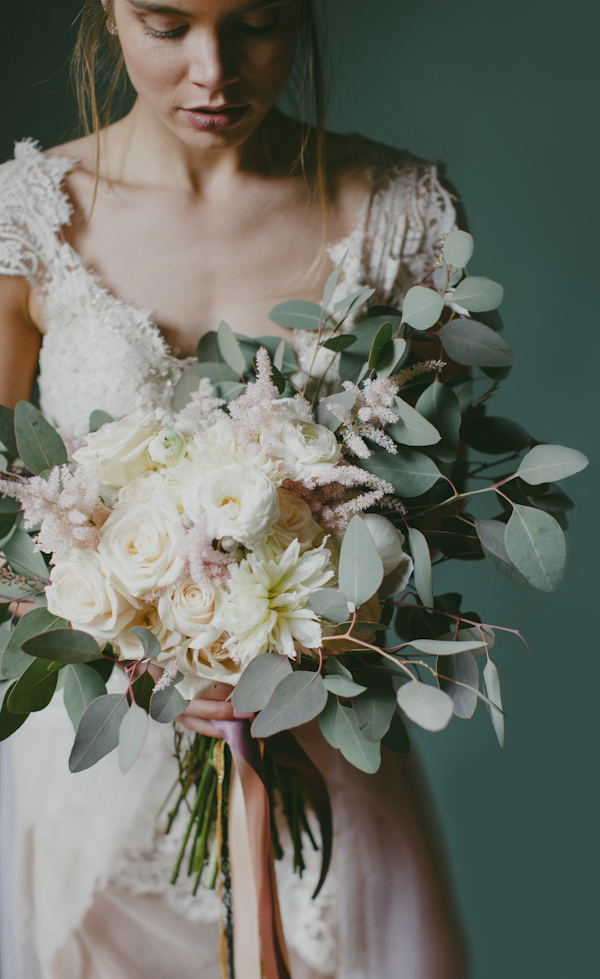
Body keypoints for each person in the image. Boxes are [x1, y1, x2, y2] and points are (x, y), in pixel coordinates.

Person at [0, 1, 467, 976]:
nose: (214, 70)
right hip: (97, 779)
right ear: (109, 13)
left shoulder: (394, 212)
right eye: (167, 23)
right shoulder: (27, 218)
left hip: (316, 752)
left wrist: (311, 628)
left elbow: (431, 505)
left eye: (256, 22)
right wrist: (137, 641)